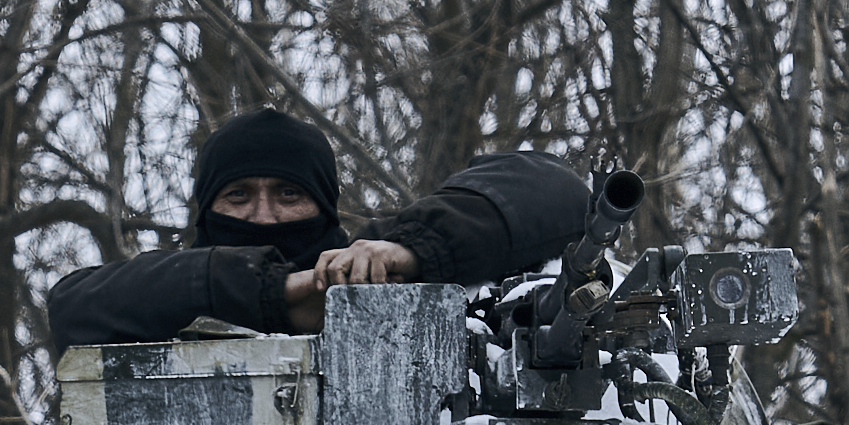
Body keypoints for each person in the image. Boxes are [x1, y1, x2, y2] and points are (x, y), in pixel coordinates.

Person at [46, 108, 591, 350]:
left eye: (289, 194)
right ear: (206, 210)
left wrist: (413, 248)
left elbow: (556, 190)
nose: (263, 216)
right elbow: (72, 305)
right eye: (238, 195)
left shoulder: (367, 271)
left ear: (324, 205)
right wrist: (271, 295)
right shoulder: (166, 292)